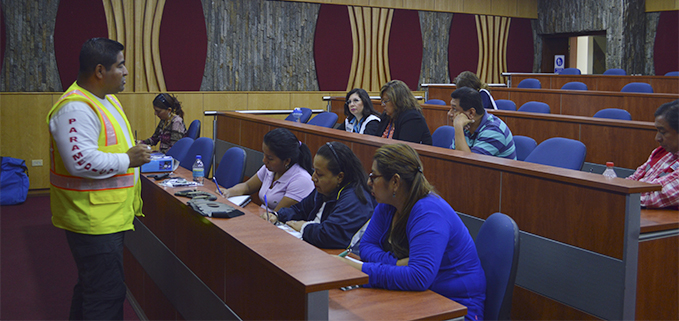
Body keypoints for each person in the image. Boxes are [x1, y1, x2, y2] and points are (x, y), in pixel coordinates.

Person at [46, 38, 151, 320]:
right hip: (91, 219)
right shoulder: (76, 108)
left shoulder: (106, 100)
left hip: (107, 215)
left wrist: (131, 153)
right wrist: (128, 159)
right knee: (105, 295)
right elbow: (80, 161)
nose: (126, 71)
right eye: (121, 65)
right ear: (100, 71)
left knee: (93, 288)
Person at [336, 143, 486, 321]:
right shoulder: (387, 205)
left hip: (457, 308)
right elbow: (367, 247)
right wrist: (398, 264)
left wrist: (359, 270)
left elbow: (418, 277)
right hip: (420, 298)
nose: (369, 182)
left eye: (374, 176)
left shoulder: (429, 213)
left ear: (395, 182)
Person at [264, 142, 375, 249]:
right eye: (314, 171)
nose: (313, 178)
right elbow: (300, 209)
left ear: (340, 177)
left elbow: (330, 235)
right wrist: (277, 215)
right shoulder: (324, 188)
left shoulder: (355, 199)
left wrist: (304, 227)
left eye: (320, 174)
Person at [222, 128, 314, 211]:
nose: (264, 160)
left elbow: (276, 215)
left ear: (286, 161)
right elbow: (247, 186)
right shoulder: (270, 169)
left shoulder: (301, 180)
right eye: (264, 154)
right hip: (264, 218)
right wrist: (228, 192)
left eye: (270, 158)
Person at [627, 99, 679, 208]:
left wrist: (620, 194)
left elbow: (654, 197)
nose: (657, 138)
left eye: (663, 132)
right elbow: (632, 180)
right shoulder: (663, 152)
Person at [449, 86, 517, 159]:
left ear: (471, 113)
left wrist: (458, 126)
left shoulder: (494, 130)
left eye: (455, 109)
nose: (449, 113)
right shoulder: (466, 125)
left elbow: (468, 165)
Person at [374, 80, 433, 145]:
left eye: (385, 101)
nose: (382, 105)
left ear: (398, 101)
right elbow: (376, 139)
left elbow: (404, 150)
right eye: (382, 101)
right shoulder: (386, 116)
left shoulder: (412, 118)